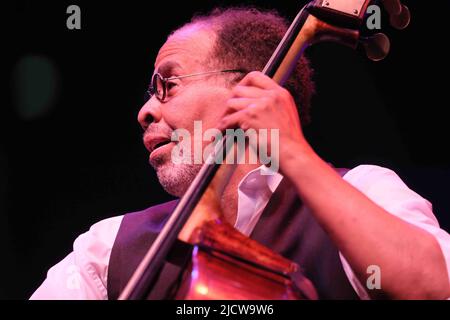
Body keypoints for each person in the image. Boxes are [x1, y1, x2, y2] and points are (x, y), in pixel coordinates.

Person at [31, 7, 450, 300]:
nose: (145, 111)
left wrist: (294, 154)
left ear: (246, 88)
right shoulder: (108, 248)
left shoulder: (364, 189)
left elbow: (432, 289)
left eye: (168, 85)